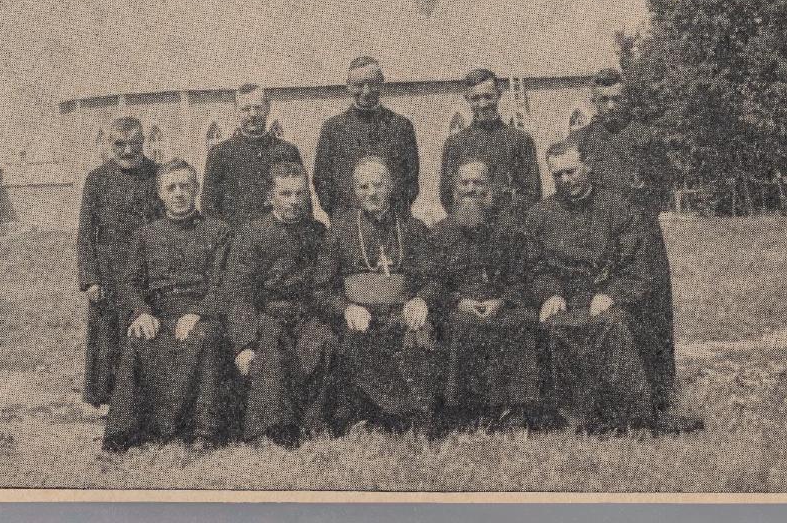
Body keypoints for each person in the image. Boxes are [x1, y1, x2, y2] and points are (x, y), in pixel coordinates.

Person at [567, 67, 695, 427]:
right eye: (603, 100)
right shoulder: (582, 140)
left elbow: (663, 185)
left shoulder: (645, 137)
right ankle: (609, 393)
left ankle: (660, 393)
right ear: (593, 102)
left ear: (627, 99)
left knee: (651, 312)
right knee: (604, 311)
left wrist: (636, 214)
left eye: (617, 99)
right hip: (598, 239)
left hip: (642, 237)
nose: (610, 106)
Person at [528, 140, 683, 434]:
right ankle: (574, 416)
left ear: (588, 166)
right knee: (551, 325)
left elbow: (639, 267)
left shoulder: (618, 208)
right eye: (557, 175)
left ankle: (634, 413)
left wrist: (611, 294)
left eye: (571, 172)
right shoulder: (540, 215)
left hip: (610, 298)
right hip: (566, 299)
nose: (565, 180)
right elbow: (536, 267)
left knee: (611, 323)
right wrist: (549, 293)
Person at [102, 159, 233, 452]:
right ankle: (125, 433)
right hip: (159, 313)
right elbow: (129, 283)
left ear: (196, 189)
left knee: (204, 338)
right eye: (170, 187)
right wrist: (141, 312)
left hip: (201, 312)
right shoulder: (146, 235)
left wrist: (199, 313)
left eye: (185, 186)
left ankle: (203, 432)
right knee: (139, 339)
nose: (178, 194)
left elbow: (224, 283)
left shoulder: (219, 231)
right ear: (160, 193)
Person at [312, 156, 443, 435]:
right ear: (354, 190)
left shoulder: (412, 228)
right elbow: (321, 288)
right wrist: (346, 308)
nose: (371, 193)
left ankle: (417, 416)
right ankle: (371, 416)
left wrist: (421, 299)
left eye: (378, 185)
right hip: (359, 313)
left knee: (420, 333)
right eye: (363, 187)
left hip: (401, 310)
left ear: (391, 186)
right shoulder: (340, 231)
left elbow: (433, 279)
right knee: (354, 343)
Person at [222, 161, 335, 446]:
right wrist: (243, 344)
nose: (294, 201)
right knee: (271, 345)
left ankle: (314, 422)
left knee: (324, 341)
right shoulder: (250, 235)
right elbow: (239, 294)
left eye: (300, 193)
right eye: (286, 194)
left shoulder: (318, 233)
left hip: (306, 314)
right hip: (266, 315)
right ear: (270, 196)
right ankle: (270, 429)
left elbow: (324, 285)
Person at [430, 160, 545, 431]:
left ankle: (514, 411)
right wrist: (458, 300)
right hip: (457, 306)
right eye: (464, 183)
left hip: (501, 303)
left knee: (519, 323)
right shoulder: (438, 233)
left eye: (479, 183)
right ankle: (463, 413)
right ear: (454, 189)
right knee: (459, 325)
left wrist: (502, 300)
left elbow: (523, 276)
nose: (471, 189)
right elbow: (431, 280)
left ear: (491, 189)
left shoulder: (511, 232)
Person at [75, 117, 163, 408]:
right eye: (120, 144)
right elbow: (86, 233)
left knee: (144, 329)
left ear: (143, 143)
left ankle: (146, 398)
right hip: (109, 272)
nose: (128, 151)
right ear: (109, 144)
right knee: (107, 337)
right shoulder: (96, 179)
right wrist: (90, 279)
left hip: (147, 269)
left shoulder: (157, 175)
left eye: (135, 144)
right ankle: (108, 399)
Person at [312, 57, 421, 217]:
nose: (366, 91)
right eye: (358, 85)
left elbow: (411, 181)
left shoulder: (401, 126)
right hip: (348, 222)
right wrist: (342, 218)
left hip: (392, 220)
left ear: (382, 83)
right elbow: (322, 181)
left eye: (372, 83)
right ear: (348, 86)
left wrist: (391, 214)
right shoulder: (333, 128)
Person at [438, 68, 542, 218]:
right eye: (475, 98)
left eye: (488, 97)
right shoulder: (455, 143)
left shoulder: (520, 140)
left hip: (508, 227)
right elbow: (447, 195)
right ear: (466, 98)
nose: (483, 104)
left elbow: (532, 192)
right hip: (468, 227)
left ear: (499, 95)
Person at [201, 84, 304, 226]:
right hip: (237, 240)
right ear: (236, 111)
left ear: (267, 108)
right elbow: (209, 208)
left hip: (280, 237)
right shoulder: (220, 153)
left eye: (257, 107)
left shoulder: (287, 151)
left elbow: (303, 200)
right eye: (246, 109)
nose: (252, 114)